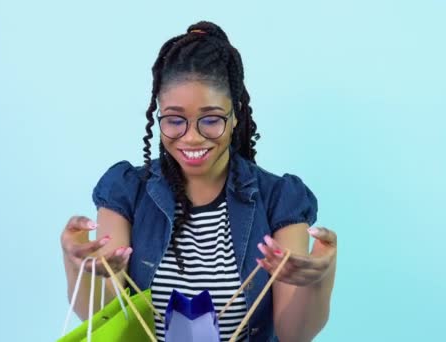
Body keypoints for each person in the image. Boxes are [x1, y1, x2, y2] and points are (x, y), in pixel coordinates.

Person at [61, 21, 337, 342]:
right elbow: (105, 319)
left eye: (210, 120)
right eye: (175, 120)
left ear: (235, 117)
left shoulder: (279, 200)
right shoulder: (126, 191)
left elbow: (294, 334)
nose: (192, 138)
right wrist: (76, 260)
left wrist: (318, 277)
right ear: (158, 116)